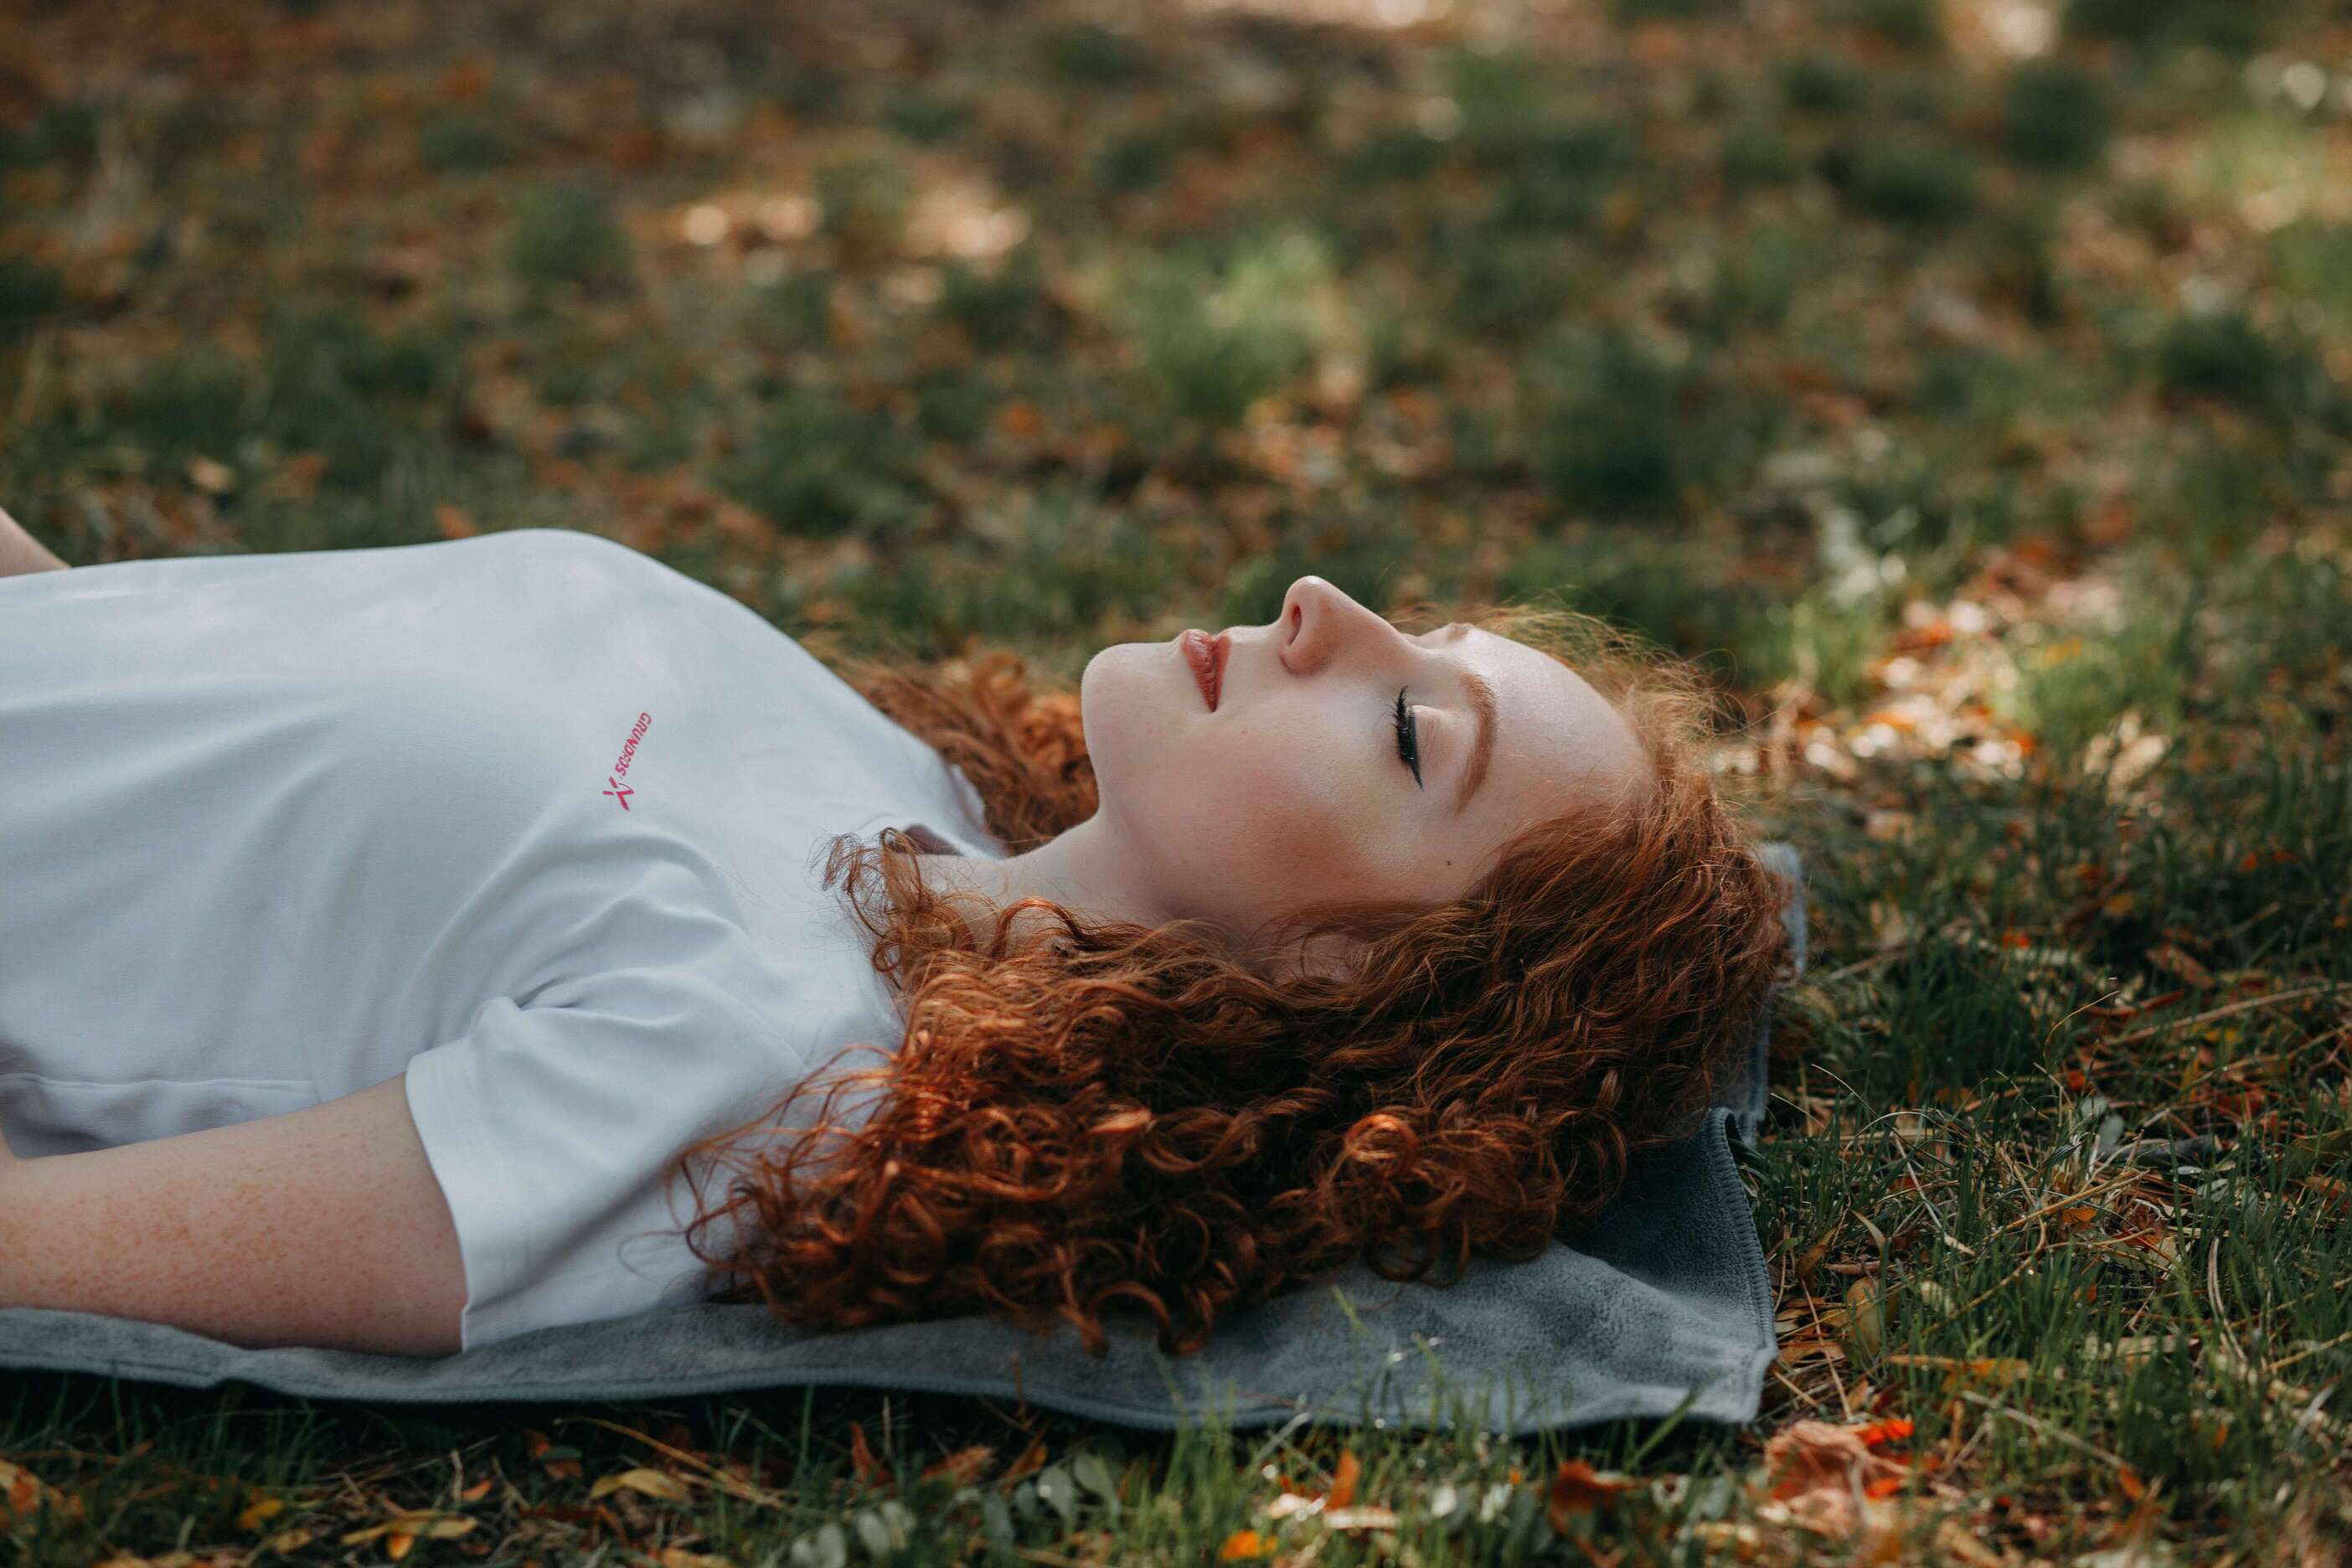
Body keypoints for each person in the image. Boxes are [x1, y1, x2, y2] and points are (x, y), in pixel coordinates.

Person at [0, 524, 1795, 1361]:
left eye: (1410, 733)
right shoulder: (899, 781)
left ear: (1347, 980)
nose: (1333, 608)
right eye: (1432, 636)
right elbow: (159, 696)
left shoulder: (777, 1071)